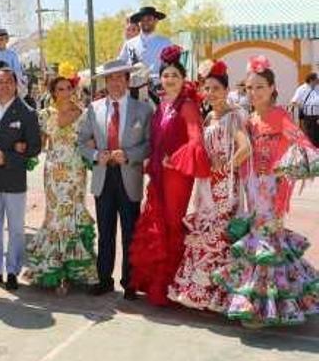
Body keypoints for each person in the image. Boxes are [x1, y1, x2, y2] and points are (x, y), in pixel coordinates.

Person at [213, 55, 319, 326]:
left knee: (266, 244)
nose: (254, 92)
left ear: (272, 88)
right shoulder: (248, 119)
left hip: (273, 191)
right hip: (253, 189)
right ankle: (262, 303)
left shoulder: (281, 117)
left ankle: (264, 307)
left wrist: (289, 168)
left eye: (260, 86)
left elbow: (304, 146)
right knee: (262, 242)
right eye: (249, 88)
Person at [129, 45, 211, 306]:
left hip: (177, 176)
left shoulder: (187, 106)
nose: (170, 79)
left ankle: (172, 284)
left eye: (175, 75)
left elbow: (196, 141)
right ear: (160, 79)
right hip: (157, 175)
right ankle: (154, 281)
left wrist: (174, 161)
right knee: (156, 222)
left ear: (183, 78)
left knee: (172, 225)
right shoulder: (161, 105)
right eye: (166, 75)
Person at [168, 59, 250, 311]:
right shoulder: (208, 118)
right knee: (203, 236)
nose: (211, 93)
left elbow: (245, 148)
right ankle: (200, 294)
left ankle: (221, 297)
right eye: (207, 88)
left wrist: (226, 167)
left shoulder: (233, 116)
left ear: (226, 90)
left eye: (216, 88)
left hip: (224, 190)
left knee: (219, 238)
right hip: (205, 188)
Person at [77, 60, 153, 299]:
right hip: (103, 177)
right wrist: (95, 155)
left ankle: (129, 282)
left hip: (129, 176)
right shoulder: (93, 109)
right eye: (111, 79)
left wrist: (129, 155)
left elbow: (150, 144)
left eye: (120, 77)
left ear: (128, 81)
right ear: (105, 82)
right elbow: (81, 142)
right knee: (105, 231)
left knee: (130, 231)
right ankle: (104, 279)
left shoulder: (143, 109)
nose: (115, 82)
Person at [24, 65, 99, 294]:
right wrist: (20, 152)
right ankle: (54, 268)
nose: (65, 92)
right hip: (53, 173)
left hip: (76, 172)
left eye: (68, 88)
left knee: (74, 212)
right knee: (55, 215)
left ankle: (74, 271)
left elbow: (91, 141)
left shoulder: (85, 114)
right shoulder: (46, 114)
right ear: (54, 92)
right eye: (60, 89)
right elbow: (39, 144)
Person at [0, 67, 41, 291]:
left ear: (15, 84)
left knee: (16, 229)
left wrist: (10, 156)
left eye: (8, 82)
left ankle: (12, 271)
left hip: (14, 181)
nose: (4, 86)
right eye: (0, 82)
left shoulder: (27, 112)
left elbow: (34, 147)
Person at [118, 6, 173, 96]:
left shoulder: (165, 43)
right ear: (139, 23)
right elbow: (121, 65)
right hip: (134, 91)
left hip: (159, 90)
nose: (145, 22)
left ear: (156, 21)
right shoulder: (129, 44)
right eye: (142, 20)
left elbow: (172, 67)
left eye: (149, 19)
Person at [0, 28, 28, 97]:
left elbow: (17, 71)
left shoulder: (12, 55)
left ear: (6, 40)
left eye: (1, 39)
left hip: (10, 80)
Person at [290, 72, 319, 146]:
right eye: (316, 79)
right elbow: (293, 102)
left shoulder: (317, 88)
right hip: (309, 118)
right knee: (311, 139)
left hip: (318, 117)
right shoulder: (301, 89)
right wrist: (303, 106)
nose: (318, 80)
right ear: (311, 80)